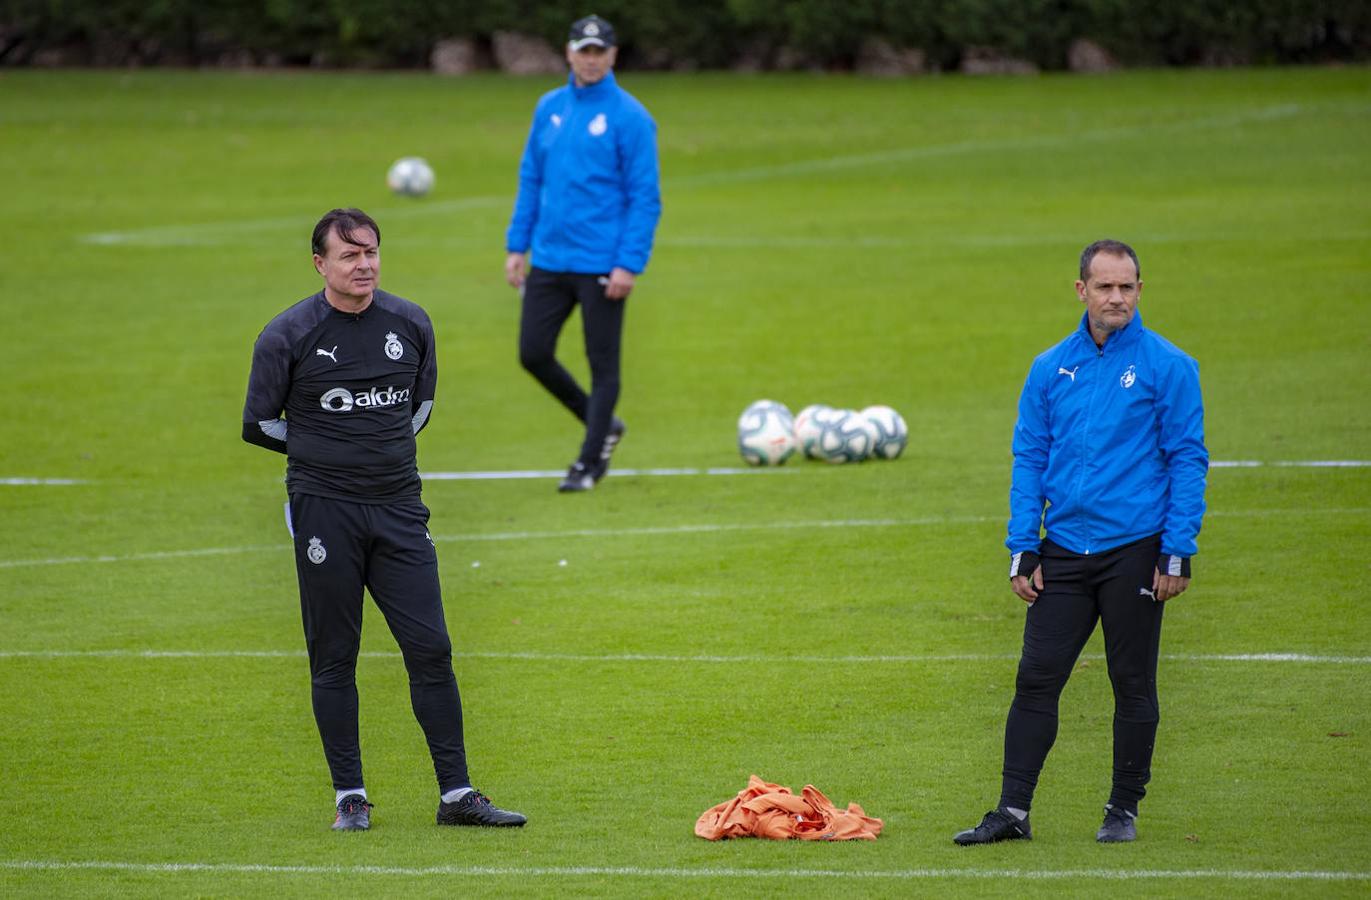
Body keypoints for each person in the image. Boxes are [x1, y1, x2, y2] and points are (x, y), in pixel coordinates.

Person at [242, 207, 526, 832]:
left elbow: (419, 407)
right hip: (325, 511)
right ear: (321, 264)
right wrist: (330, 450)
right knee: (334, 656)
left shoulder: (411, 322)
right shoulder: (286, 335)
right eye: (349, 255)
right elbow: (258, 424)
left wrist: (375, 448)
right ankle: (350, 796)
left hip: (400, 508)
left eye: (370, 251)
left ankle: (457, 795)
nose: (364, 264)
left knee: (432, 647)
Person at [954, 239, 1208, 846]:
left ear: (1140, 290)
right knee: (1036, 679)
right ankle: (1012, 812)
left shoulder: (1169, 365)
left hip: (1135, 552)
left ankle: (1123, 809)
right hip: (1064, 549)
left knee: (1132, 682)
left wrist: (1177, 549)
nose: (1116, 297)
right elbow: (1030, 457)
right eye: (1104, 287)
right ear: (1081, 291)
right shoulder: (1049, 367)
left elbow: (1187, 459)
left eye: (1127, 286)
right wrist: (1024, 544)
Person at [504, 13, 662, 493]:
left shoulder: (631, 117)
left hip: (602, 265)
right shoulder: (548, 107)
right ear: (569, 53)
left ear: (613, 56)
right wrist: (518, 245)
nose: (591, 60)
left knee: (603, 365)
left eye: (599, 51)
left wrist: (628, 264)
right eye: (583, 50)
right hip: (550, 259)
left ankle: (589, 462)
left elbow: (645, 197)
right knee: (533, 353)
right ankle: (604, 425)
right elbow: (532, 176)